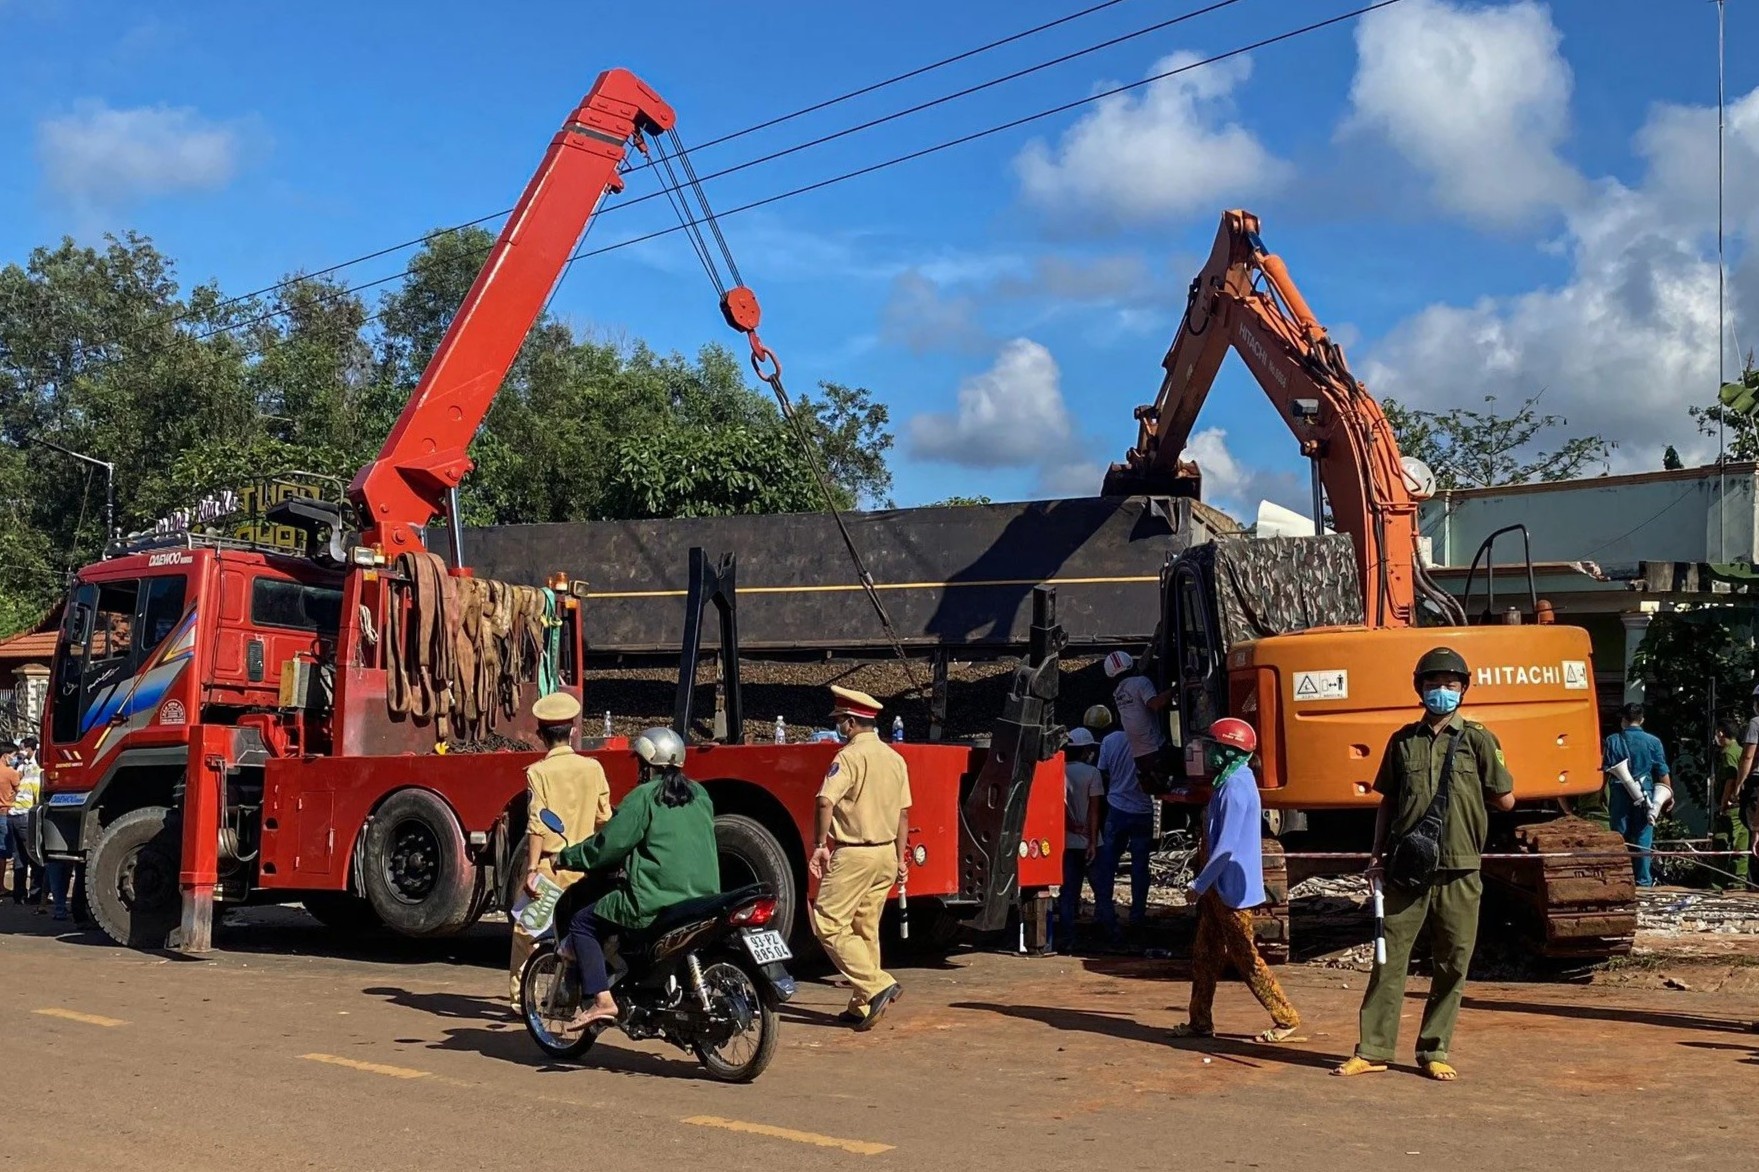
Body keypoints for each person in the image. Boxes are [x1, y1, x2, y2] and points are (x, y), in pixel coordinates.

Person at [1335, 646, 1514, 1082]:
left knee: (1453, 961)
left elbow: (1506, 798)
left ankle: (1434, 1049)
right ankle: (1373, 1049)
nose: (1441, 692)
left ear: (1463, 690)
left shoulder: (1478, 739)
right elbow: (1388, 802)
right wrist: (1376, 855)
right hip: (1406, 869)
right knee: (1388, 959)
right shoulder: (1402, 741)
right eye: (1433, 684)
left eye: (1450, 685)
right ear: (1420, 689)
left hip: (1461, 867)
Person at [553, 726, 719, 1030]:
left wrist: (568, 857)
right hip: (703, 898)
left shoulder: (642, 797)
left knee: (582, 922)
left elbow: (609, 846)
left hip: (653, 899)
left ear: (646, 764)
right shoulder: (700, 795)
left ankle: (603, 1000)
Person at [1171, 717, 1300, 1043]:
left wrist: (1198, 886)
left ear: (1230, 751)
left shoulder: (1236, 788)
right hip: (1219, 888)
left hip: (1231, 890)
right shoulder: (1229, 781)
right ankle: (1200, 1021)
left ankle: (1286, 1017)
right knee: (1204, 955)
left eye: (1215, 747)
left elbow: (1226, 847)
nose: (1209, 753)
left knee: (1246, 957)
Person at [808, 686, 912, 1031]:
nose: (839, 725)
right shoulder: (895, 758)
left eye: (840, 719)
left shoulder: (849, 757)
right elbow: (903, 814)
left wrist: (820, 843)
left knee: (828, 921)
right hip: (885, 853)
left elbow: (825, 800)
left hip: (854, 853)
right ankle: (862, 1005)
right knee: (865, 927)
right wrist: (899, 858)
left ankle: (876, 984)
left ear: (851, 722)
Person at [507, 691, 612, 1007]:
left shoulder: (538, 773)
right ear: (573, 731)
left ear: (541, 735)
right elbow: (604, 818)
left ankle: (520, 1000)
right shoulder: (593, 768)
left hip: (551, 869)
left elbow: (537, 825)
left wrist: (531, 869)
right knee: (584, 931)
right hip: (586, 869)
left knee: (526, 931)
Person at [1092, 726, 1154, 949]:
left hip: (1116, 808)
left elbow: (1103, 773)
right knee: (1140, 867)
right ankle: (1137, 915)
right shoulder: (1148, 738)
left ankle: (1104, 913)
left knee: (1107, 865)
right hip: (1143, 810)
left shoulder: (1110, 741)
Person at [1603, 703, 1670, 888]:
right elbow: (1662, 771)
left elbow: (1605, 771)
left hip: (1619, 793)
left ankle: (1620, 879)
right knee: (1643, 837)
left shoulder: (1612, 740)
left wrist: (1601, 795)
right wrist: (1668, 796)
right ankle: (1643, 881)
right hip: (1645, 792)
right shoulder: (1653, 741)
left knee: (1619, 837)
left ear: (1623, 720)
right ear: (1642, 720)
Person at [1053, 727, 1105, 954]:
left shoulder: (1058, 771)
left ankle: (1068, 939)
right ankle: (1110, 936)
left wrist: (1069, 826)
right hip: (1090, 843)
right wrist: (1092, 842)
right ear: (1086, 750)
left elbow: (1057, 806)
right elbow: (1095, 810)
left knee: (1068, 894)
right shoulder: (1092, 773)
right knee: (1102, 891)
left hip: (1067, 843)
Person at [1103, 651, 1178, 791]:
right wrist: (1176, 688)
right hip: (1156, 751)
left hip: (1140, 760)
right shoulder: (1141, 682)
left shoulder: (1117, 694)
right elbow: (1155, 704)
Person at [1712, 721, 1751, 890]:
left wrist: (1723, 804)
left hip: (1730, 807)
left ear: (1721, 733)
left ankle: (1717, 885)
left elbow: (1730, 780)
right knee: (1741, 846)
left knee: (1721, 843)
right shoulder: (1741, 750)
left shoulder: (1728, 753)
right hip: (1743, 806)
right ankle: (1738, 883)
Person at [7, 736, 43, 906]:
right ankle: (35, 895)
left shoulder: (24, 772)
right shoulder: (38, 773)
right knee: (35, 857)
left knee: (19, 858)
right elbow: (38, 801)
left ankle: (18, 894)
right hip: (25, 817)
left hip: (13, 815)